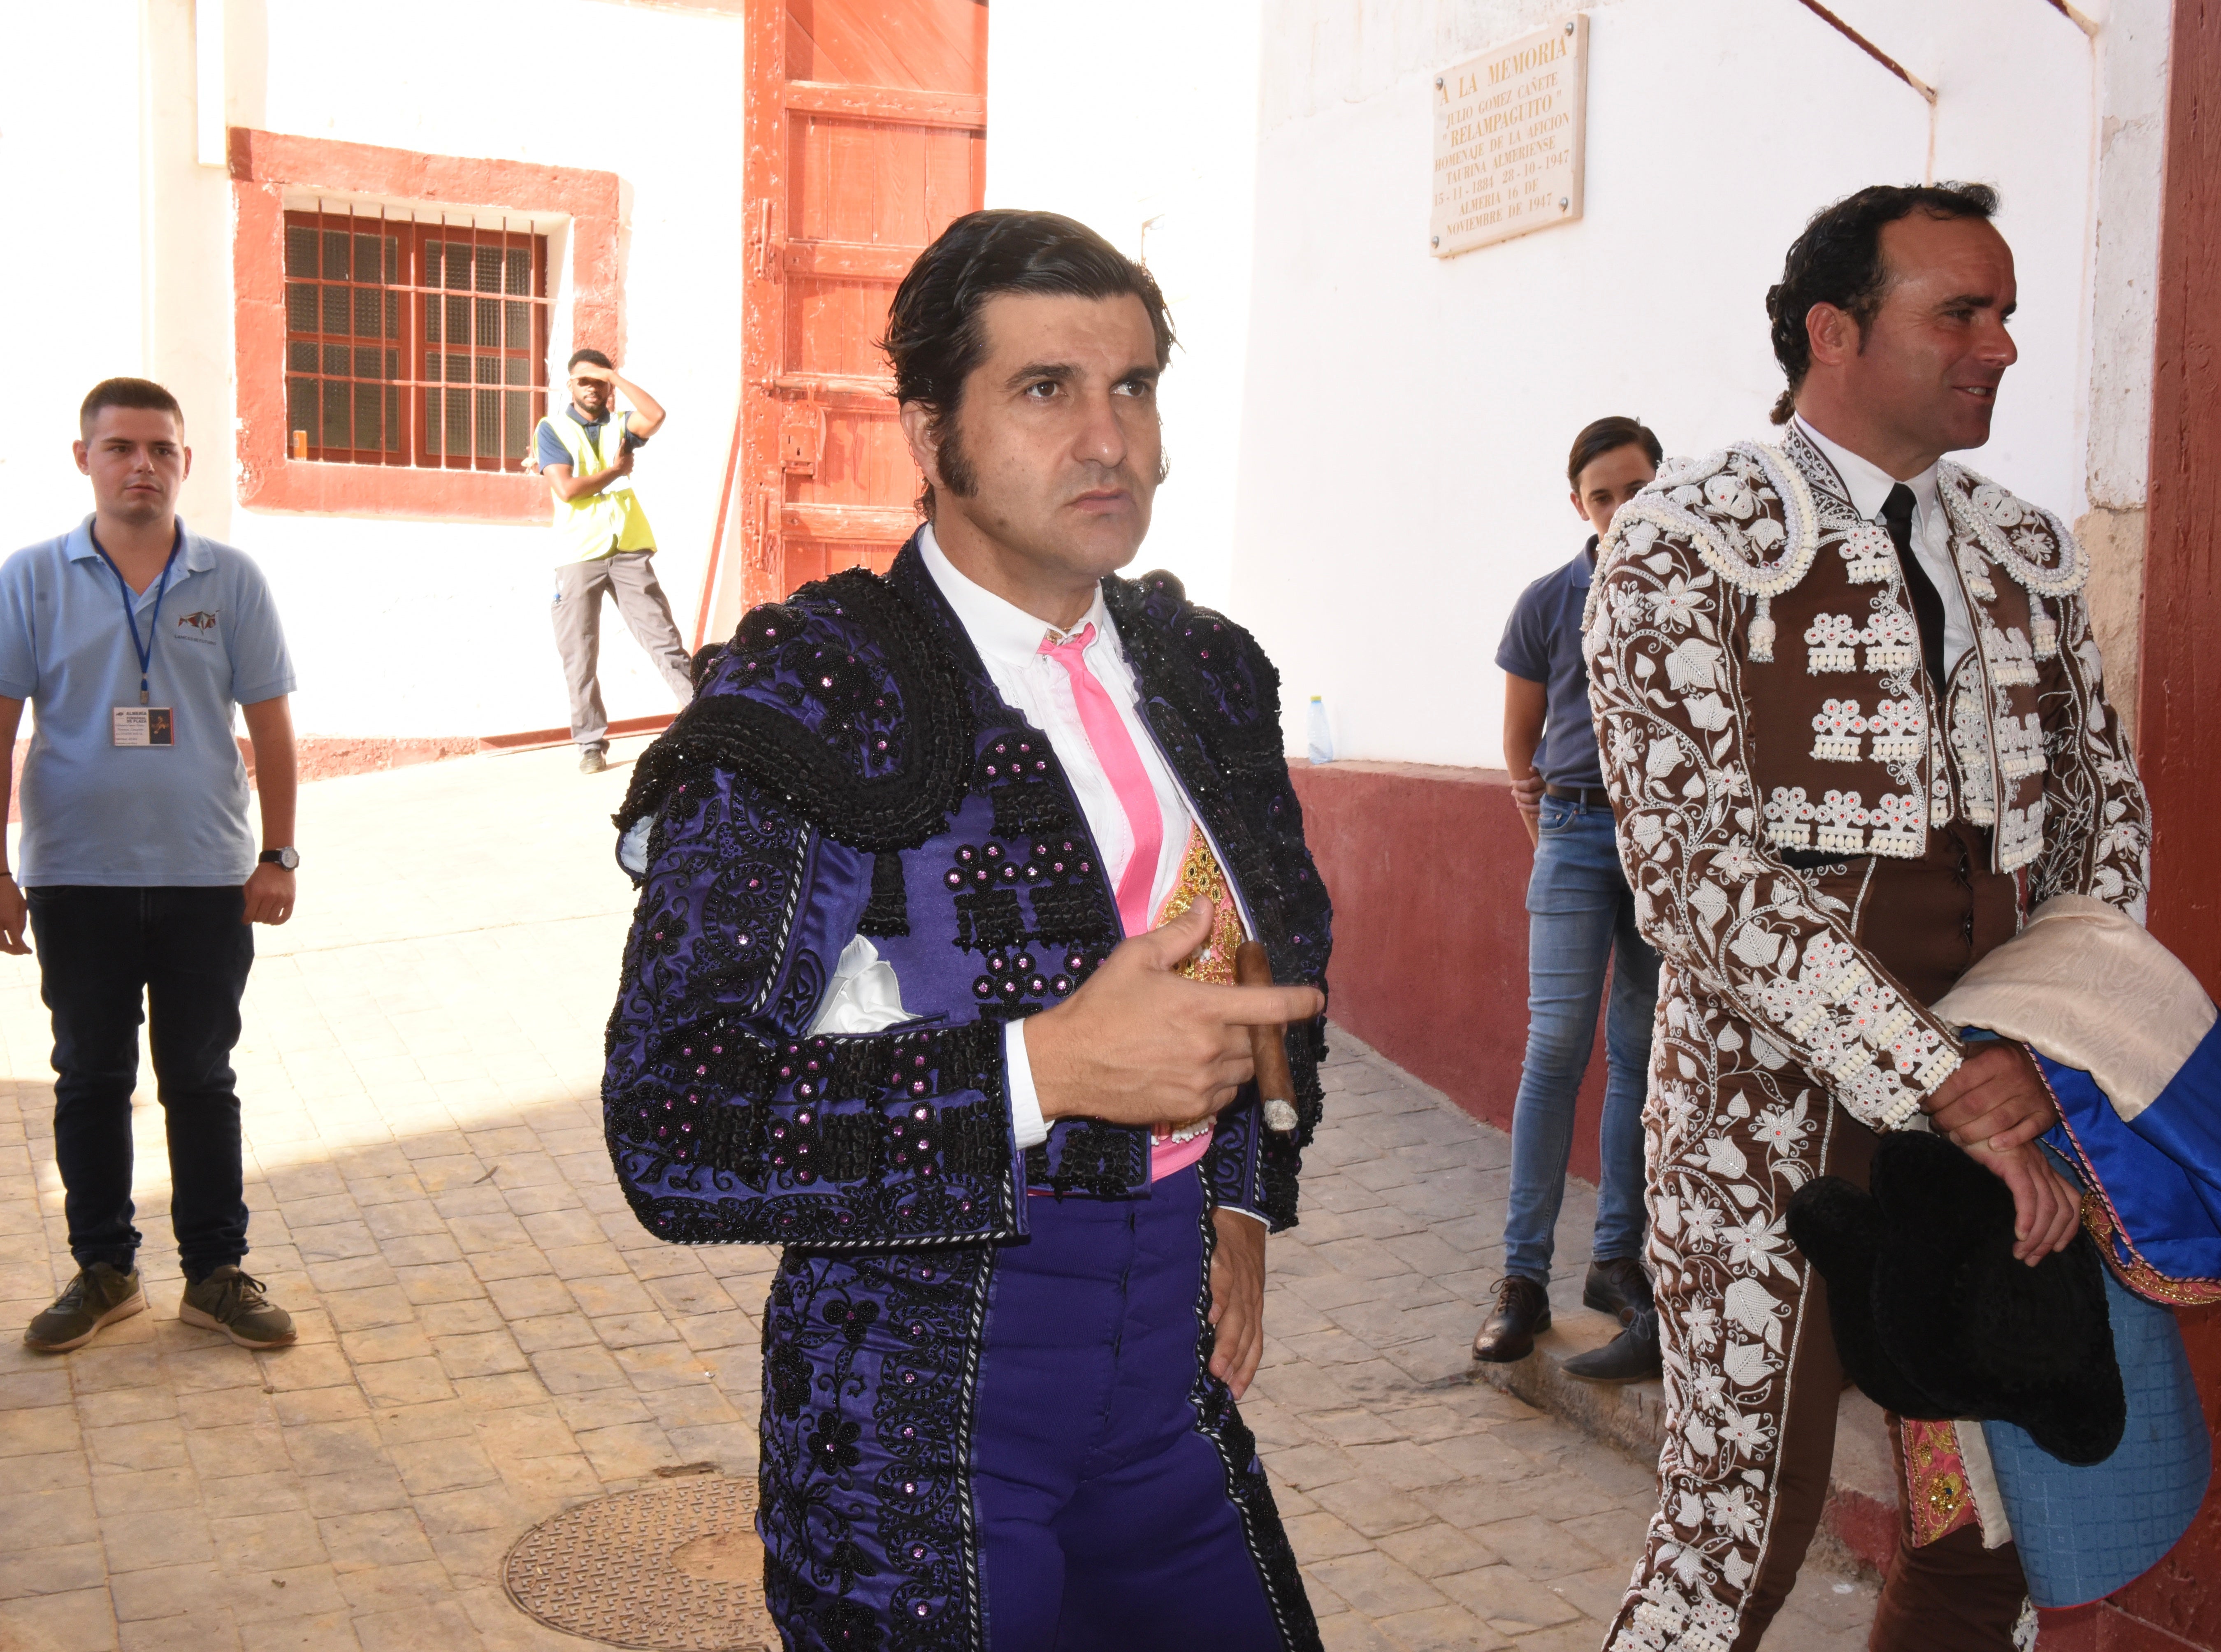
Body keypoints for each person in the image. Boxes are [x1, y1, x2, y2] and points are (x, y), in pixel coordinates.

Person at [603, 209, 1332, 1652]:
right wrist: (1039, 1070)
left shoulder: (1203, 671)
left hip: (1164, 1394)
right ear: (930, 434)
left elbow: (1273, 953)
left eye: (1133, 386)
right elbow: (673, 1115)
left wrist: (1242, 1186)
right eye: (1045, 389)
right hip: (911, 1422)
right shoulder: (813, 692)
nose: (1108, 436)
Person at [1584, 183, 2144, 1652]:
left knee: (1985, 1542)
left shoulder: (2020, 548)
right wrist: (1940, 1081)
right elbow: (1693, 878)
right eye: (1957, 311)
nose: (1999, 345)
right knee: (1728, 1547)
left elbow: (2102, 830)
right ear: (1832, 331)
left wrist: (2036, 1058)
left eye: (2006, 311)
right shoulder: (1681, 535)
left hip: (1996, 1120)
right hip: (1759, 1127)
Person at [7, 377, 303, 1355]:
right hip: (75, 876)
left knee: (200, 1075)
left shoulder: (231, 579)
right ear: (85, 458)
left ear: (186, 461)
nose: (142, 464)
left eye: (161, 448)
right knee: (90, 1075)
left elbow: (271, 726)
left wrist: (277, 854)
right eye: (121, 446)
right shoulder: (32, 579)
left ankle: (215, 1272)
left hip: (204, 876)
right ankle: (104, 1268)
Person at [1474, 416, 1665, 1383]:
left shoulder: (1687, 594)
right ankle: (1519, 1278)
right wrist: (1549, 838)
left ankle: (1613, 1260)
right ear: (1578, 504)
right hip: (1577, 833)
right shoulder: (1549, 601)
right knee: (1554, 1045)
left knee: (1638, 1048)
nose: (1621, 508)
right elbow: (1520, 742)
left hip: (1660, 843)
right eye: (1603, 494)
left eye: (1636, 488)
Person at [534, 349, 693, 775]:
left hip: (626, 549)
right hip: (577, 553)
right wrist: (618, 470)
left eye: (597, 381)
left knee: (663, 638)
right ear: (569, 385)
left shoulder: (618, 425)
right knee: (579, 652)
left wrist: (615, 376)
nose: (591, 387)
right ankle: (589, 743)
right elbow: (567, 490)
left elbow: (655, 414)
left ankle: (703, 718)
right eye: (582, 380)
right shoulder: (551, 429)